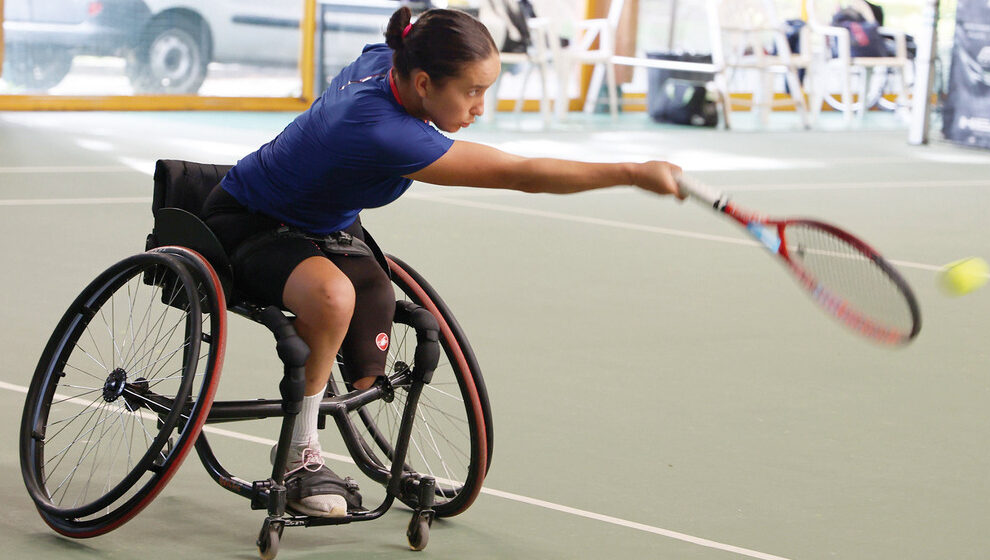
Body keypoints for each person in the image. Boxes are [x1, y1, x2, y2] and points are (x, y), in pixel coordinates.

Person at [201, 6, 684, 518]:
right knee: (333, 297)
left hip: (325, 225)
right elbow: (518, 173)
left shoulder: (393, 59)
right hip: (250, 220)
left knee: (370, 357)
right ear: (425, 83)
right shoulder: (384, 131)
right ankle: (299, 453)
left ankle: (326, 397)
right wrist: (631, 171)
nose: (480, 106)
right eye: (472, 91)